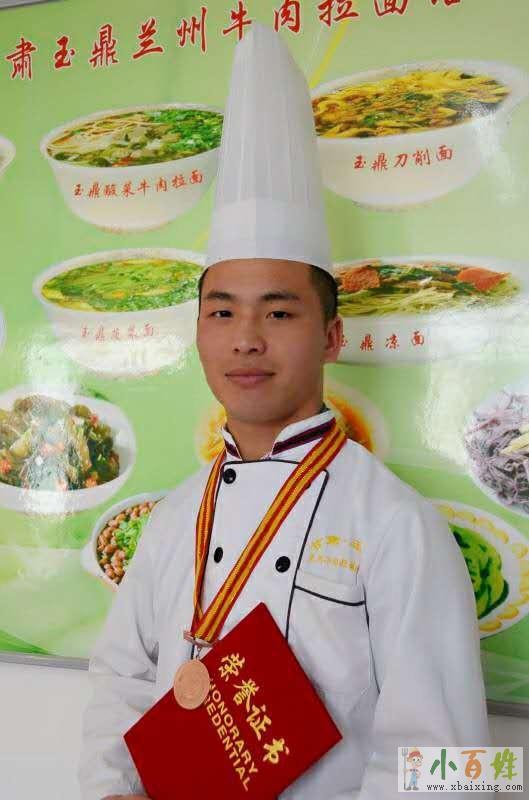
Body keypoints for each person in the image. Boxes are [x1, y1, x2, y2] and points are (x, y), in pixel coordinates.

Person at [77, 22, 491, 800]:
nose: (246, 340)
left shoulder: (393, 524)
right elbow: (121, 680)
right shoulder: (173, 516)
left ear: (331, 335)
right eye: (221, 312)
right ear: (197, 332)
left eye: (278, 311)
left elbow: (444, 761)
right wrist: (111, 789)